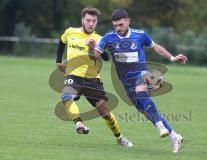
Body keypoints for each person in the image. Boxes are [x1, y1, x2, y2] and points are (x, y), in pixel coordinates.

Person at [95, 9, 188, 153]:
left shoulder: (140, 35)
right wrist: (91, 48)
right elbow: (96, 54)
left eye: (120, 25)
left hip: (142, 74)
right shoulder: (109, 38)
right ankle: (175, 136)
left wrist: (172, 58)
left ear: (128, 21)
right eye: (115, 26)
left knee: (141, 91)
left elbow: (155, 47)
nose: (118, 28)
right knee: (144, 109)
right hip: (126, 82)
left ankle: (160, 126)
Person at [56, 7, 133, 147]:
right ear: (82, 20)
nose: (91, 23)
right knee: (66, 96)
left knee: (105, 114)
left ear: (97, 22)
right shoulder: (70, 32)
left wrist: (93, 47)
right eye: (88, 20)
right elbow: (61, 41)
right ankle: (79, 123)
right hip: (73, 76)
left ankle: (119, 138)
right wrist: (58, 61)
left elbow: (106, 58)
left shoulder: (99, 39)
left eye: (94, 21)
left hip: (93, 81)